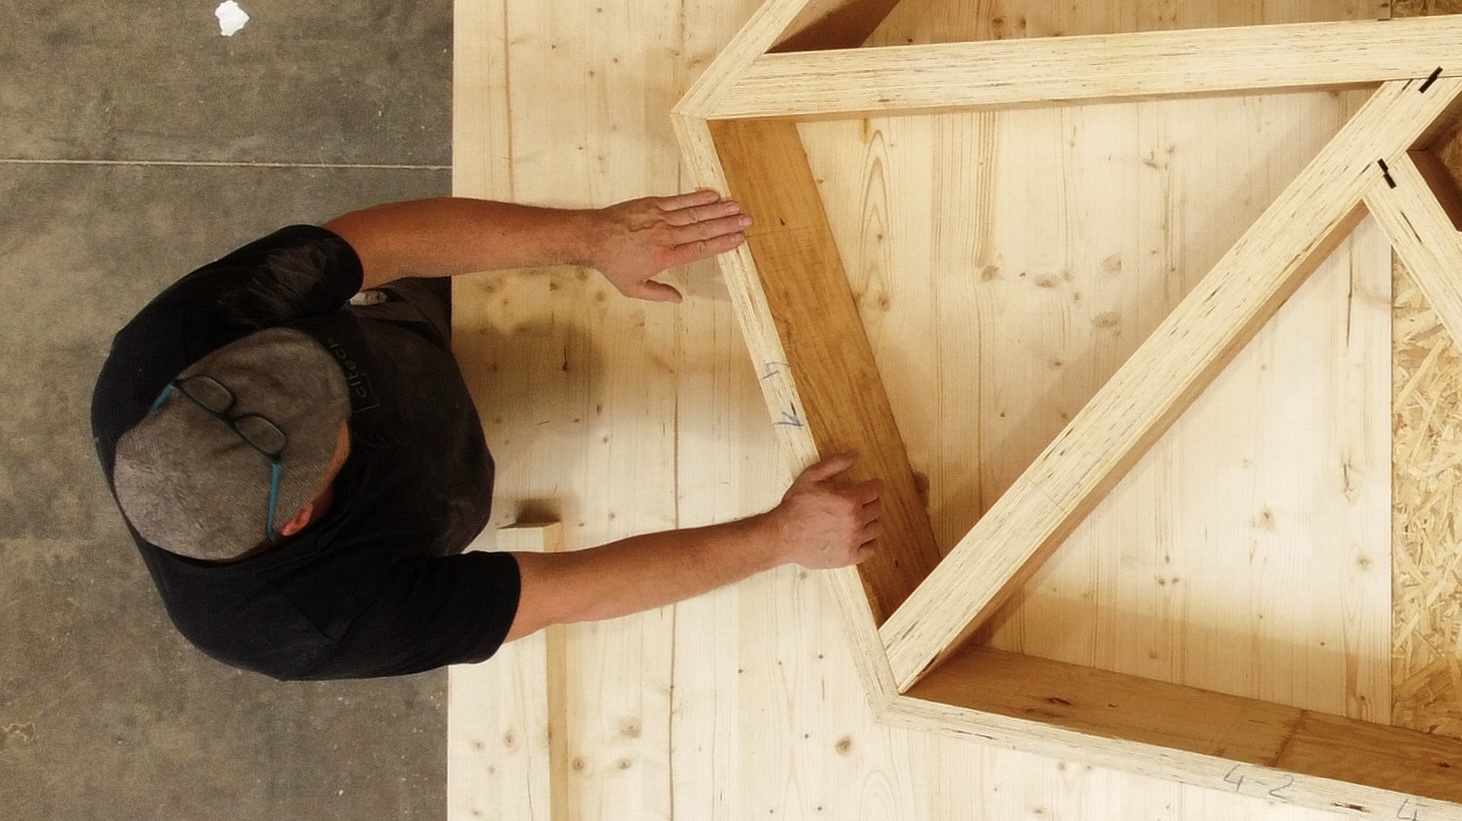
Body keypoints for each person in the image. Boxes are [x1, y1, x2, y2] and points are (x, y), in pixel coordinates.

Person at [92, 194, 882, 681]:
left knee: (397, 307)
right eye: (330, 420)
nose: (336, 400)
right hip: (438, 494)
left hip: (403, 336)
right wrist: (779, 537)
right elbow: (563, 592)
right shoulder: (314, 623)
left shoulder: (173, 344)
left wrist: (593, 236)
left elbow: (374, 247)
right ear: (299, 515)